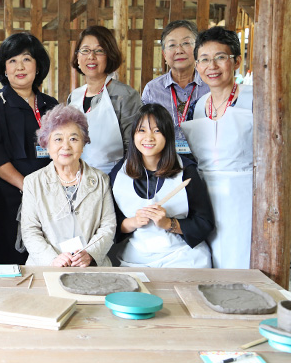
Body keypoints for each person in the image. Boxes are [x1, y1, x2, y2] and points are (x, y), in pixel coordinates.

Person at [0, 32, 58, 264]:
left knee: (47, 257)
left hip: (48, 195)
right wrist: (27, 187)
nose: (19, 67)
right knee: (9, 259)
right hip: (7, 197)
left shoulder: (51, 105)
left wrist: (46, 190)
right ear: (4, 68)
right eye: (12, 60)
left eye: (26, 59)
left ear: (38, 65)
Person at [181, 27, 253, 269]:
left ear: (237, 61)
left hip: (244, 196)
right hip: (206, 197)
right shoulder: (201, 104)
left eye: (220, 57)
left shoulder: (255, 98)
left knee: (240, 259)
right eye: (204, 59)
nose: (211, 66)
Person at [109, 104, 214, 268]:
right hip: (136, 258)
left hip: (182, 256)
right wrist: (134, 222)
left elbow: (204, 223)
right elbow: (109, 224)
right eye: (142, 130)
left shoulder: (186, 171)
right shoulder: (118, 174)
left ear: (168, 135)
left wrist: (168, 223)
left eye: (157, 131)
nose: (149, 137)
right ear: (133, 134)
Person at [20, 105, 116, 267]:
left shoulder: (100, 179)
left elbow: (108, 226)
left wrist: (90, 254)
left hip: (89, 266)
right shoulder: (33, 182)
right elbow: (30, 231)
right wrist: (53, 259)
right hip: (46, 266)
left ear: (84, 143)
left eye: (73, 139)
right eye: (58, 139)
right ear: (46, 144)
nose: (66, 146)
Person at [68, 25, 142, 174]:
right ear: (77, 56)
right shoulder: (74, 97)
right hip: (79, 179)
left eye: (99, 51)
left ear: (110, 55)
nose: (91, 56)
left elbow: (134, 148)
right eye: (85, 50)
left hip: (115, 178)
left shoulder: (126, 95)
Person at [141, 20, 210, 159]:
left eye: (186, 43)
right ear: (164, 54)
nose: (179, 50)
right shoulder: (152, 90)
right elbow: (144, 130)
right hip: (165, 162)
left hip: (206, 161)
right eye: (172, 45)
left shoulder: (210, 86)